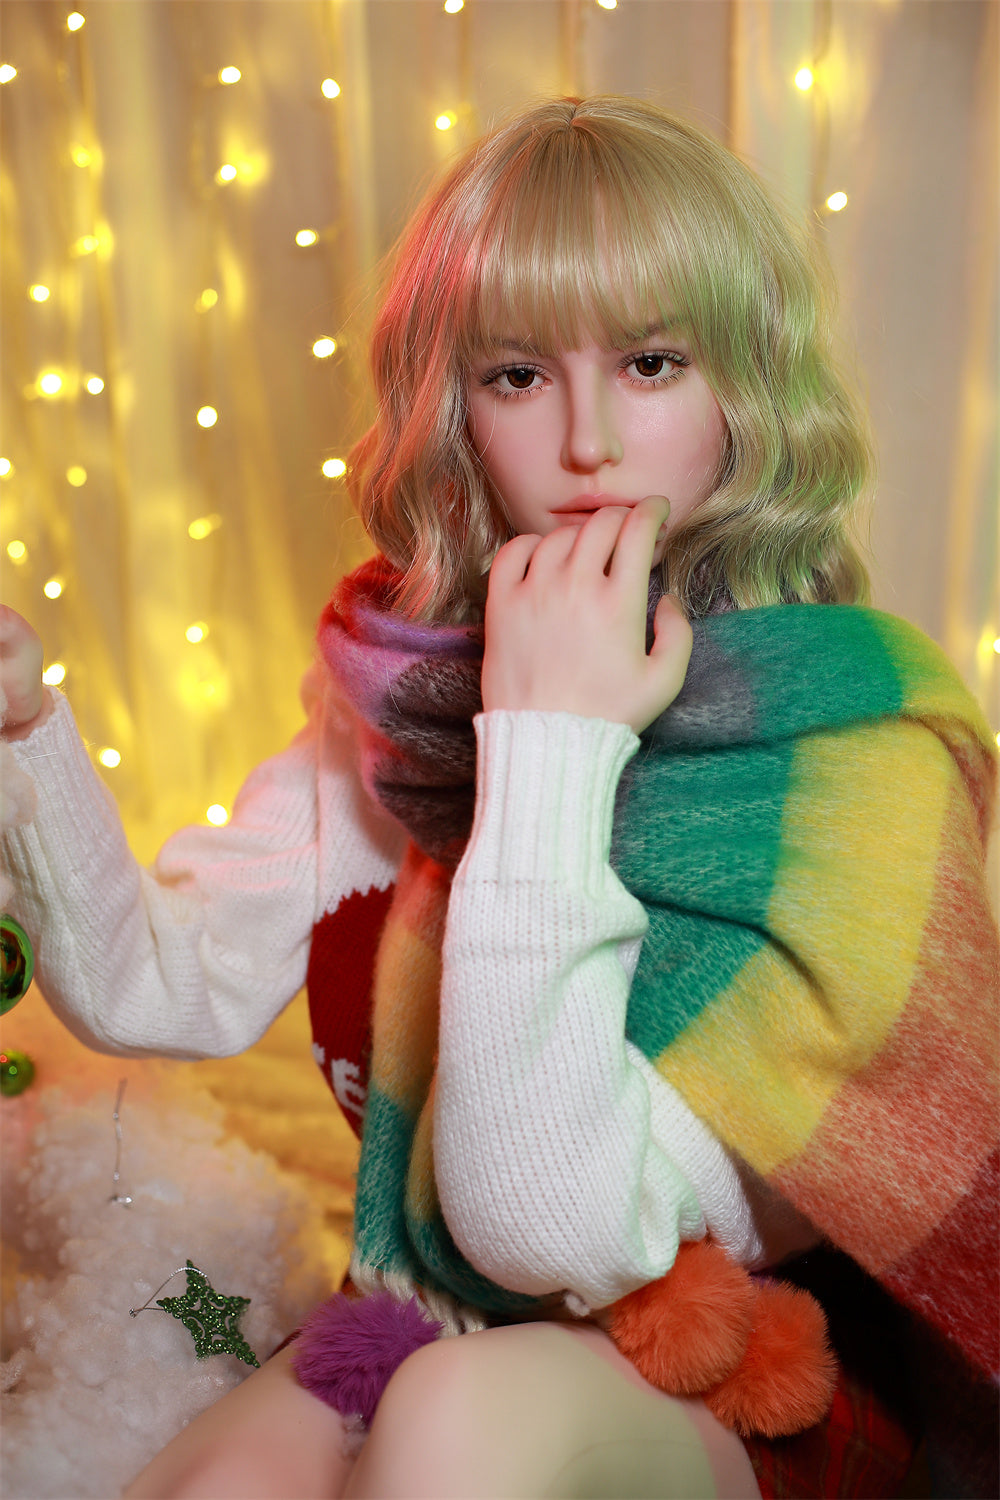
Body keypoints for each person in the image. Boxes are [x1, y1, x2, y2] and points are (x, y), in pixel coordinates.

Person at [2, 96, 996, 1500]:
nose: (588, 440)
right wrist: (23, 731)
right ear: (454, 410)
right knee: (217, 1481)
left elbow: (556, 1229)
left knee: (459, 1421)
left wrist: (545, 741)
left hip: (733, 1354)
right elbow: (160, 991)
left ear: (745, 387)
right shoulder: (404, 692)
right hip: (438, 1309)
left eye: (651, 362)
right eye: (518, 374)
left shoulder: (858, 750)